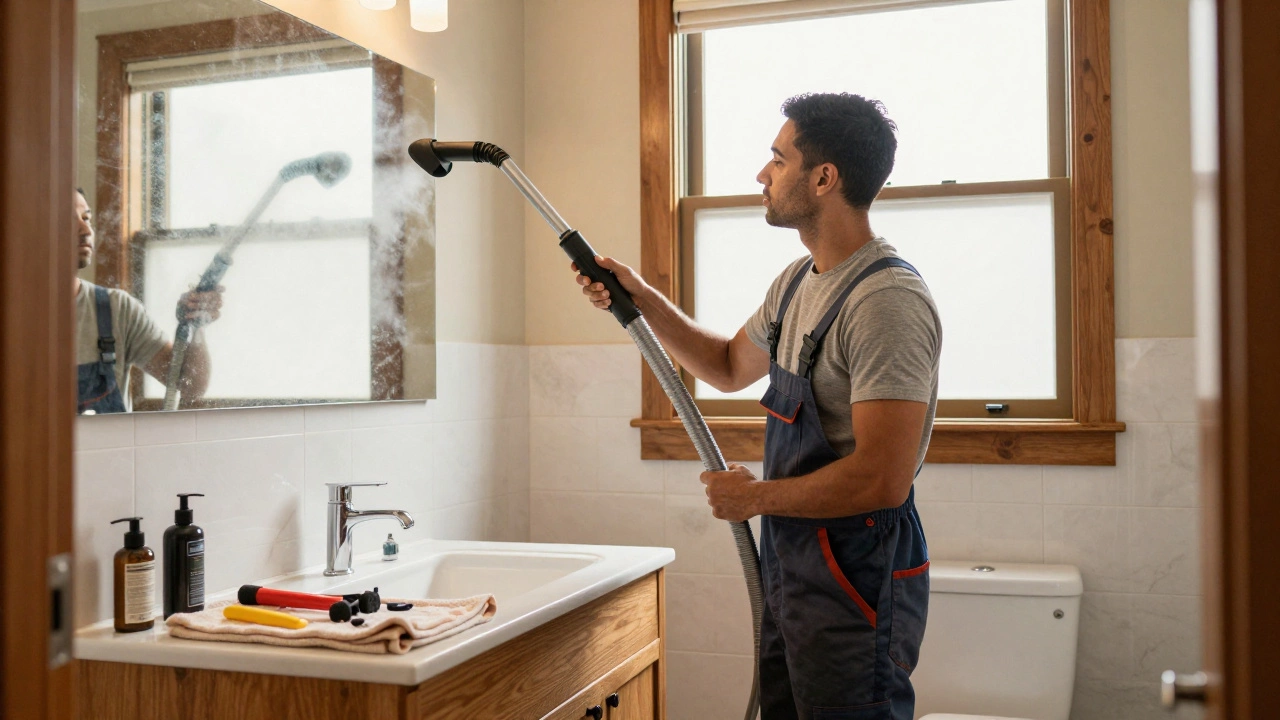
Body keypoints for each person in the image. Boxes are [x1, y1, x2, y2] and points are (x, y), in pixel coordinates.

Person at [574, 93, 941, 719]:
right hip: (795, 567)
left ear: (824, 178)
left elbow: (883, 478)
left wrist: (756, 499)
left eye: (777, 158)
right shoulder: (797, 282)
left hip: (858, 573)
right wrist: (639, 298)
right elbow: (724, 367)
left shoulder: (886, 302)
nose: (761, 175)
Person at [75, 188, 223, 413]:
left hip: (111, 449)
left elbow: (189, 385)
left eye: (87, 218)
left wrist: (194, 324)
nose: (86, 230)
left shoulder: (116, 310)